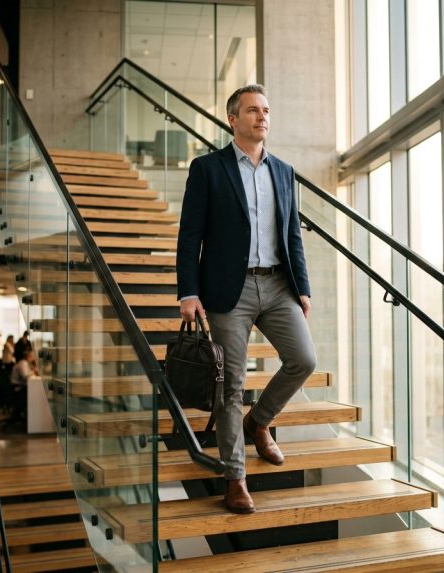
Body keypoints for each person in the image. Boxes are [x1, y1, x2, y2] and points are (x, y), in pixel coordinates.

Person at [177, 84, 316, 514]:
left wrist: (304, 288)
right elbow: (190, 235)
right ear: (232, 119)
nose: (262, 117)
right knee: (231, 386)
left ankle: (259, 422)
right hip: (226, 292)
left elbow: (292, 233)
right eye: (253, 110)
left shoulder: (284, 171)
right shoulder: (207, 169)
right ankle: (235, 477)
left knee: (304, 360)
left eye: (267, 110)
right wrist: (188, 291)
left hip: (277, 285)